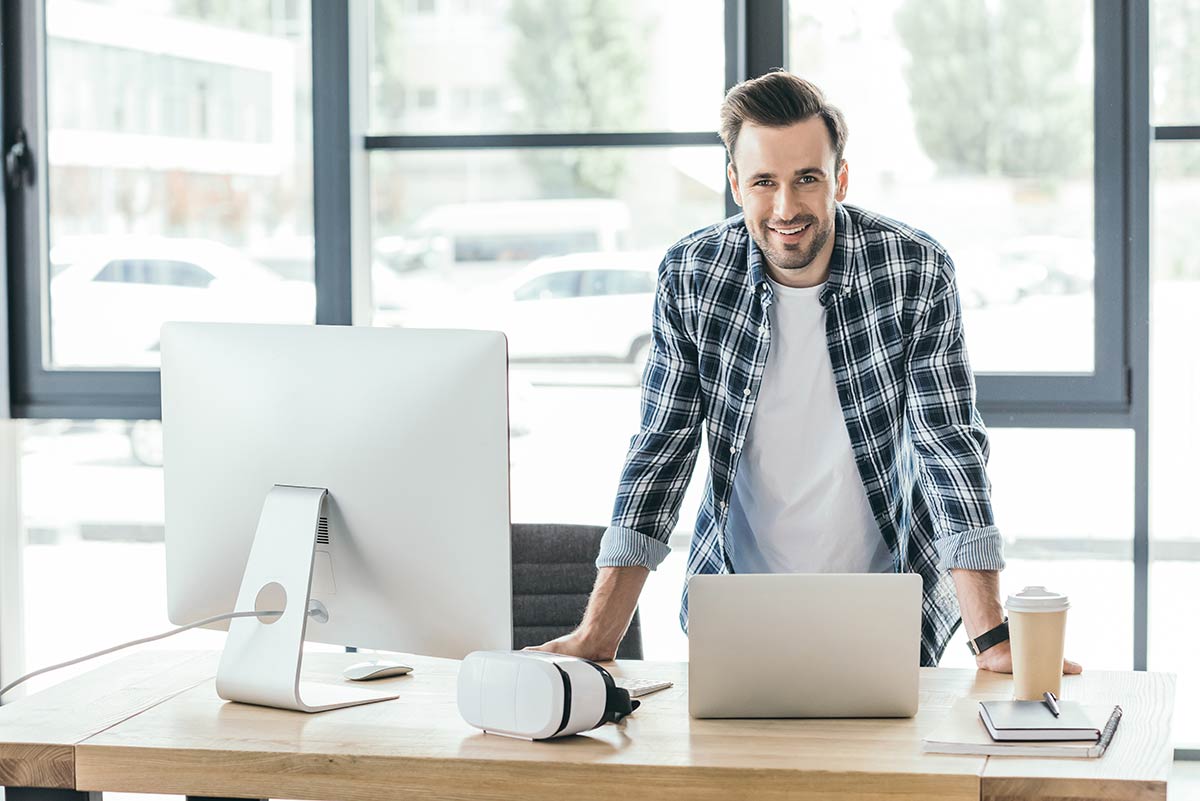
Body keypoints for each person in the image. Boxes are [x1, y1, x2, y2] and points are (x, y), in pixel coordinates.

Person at [531, 71, 1081, 674]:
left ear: (840, 179)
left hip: (887, 595)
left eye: (807, 179)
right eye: (764, 182)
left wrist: (991, 638)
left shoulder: (914, 268)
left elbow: (947, 446)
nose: (786, 208)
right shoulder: (691, 275)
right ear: (736, 184)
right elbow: (661, 449)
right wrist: (598, 633)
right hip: (739, 600)